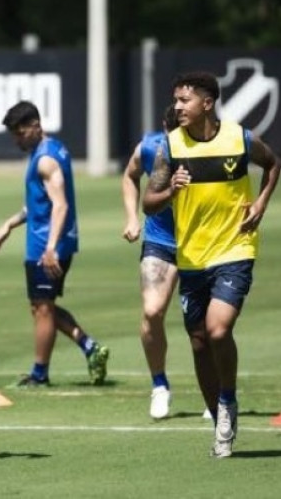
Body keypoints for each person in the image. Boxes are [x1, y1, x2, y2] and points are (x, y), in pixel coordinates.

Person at [143, 72, 281, 458]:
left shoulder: (240, 138)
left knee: (218, 330)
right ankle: (219, 412)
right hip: (191, 258)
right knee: (199, 341)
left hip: (235, 250)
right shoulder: (169, 147)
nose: (177, 107)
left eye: (184, 100)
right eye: (175, 100)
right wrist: (173, 189)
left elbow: (273, 165)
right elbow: (148, 202)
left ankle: (228, 401)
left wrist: (260, 204)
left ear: (207, 103)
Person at [0, 101, 110, 387]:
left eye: (20, 133)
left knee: (42, 308)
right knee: (41, 306)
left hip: (45, 245)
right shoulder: (55, 148)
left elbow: (60, 205)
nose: (17, 140)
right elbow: (40, 203)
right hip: (52, 241)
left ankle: (40, 374)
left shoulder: (44, 160)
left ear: (36, 126)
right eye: (14, 135)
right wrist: (10, 223)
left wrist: (50, 248)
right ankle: (90, 347)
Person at [121, 104, 180, 419]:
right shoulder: (149, 147)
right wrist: (131, 217)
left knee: (206, 327)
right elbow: (130, 176)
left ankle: (219, 394)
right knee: (152, 310)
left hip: (205, 243)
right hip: (160, 241)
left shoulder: (210, 149)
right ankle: (159, 385)